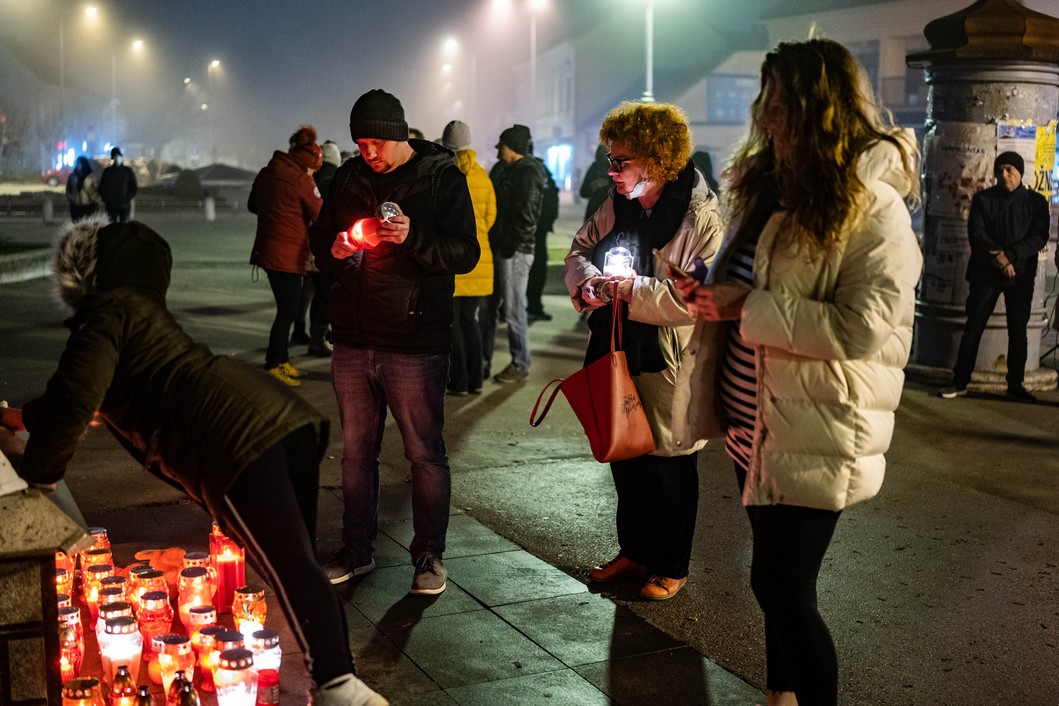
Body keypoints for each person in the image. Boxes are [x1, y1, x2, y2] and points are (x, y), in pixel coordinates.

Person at [12, 216, 387, 706]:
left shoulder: (109, 313)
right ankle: (339, 683)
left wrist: (37, 482)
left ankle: (341, 689)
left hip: (232, 440)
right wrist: (20, 419)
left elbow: (79, 393)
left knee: (289, 566)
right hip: (275, 419)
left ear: (89, 277)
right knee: (296, 566)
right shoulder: (139, 316)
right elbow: (76, 396)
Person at [671, 39, 922, 706]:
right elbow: (743, 292)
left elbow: (860, 327)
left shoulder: (874, 207)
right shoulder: (767, 193)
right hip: (755, 427)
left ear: (822, 113)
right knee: (773, 587)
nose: (768, 117)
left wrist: (744, 306)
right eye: (767, 104)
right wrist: (705, 295)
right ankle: (777, 697)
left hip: (817, 424)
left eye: (783, 106)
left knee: (781, 588)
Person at [309, 89, 479, 595]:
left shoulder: (441, 177)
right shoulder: (347, 176)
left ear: (399, 135)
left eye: (376, 143)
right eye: (361, 143)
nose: (368, 153)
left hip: (416, 339)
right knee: (356, 453)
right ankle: (357, 551)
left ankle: (428, 556)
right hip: (354, 336)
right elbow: (320, 243)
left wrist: (412, 238)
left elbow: (465, 253)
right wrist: (337, 248)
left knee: (424, 453)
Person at [565, 101, 724, 601]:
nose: (610, 171)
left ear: (657, 160)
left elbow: (698, 300)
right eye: (610, 159)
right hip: (616, 346)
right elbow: (579, 250)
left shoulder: (701, 217)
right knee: (626, 455)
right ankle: (634, 552)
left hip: (672, 358)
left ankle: (672, 564)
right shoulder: (619, 203)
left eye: (621, 161)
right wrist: (590, 285)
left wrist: (631, 291)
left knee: (669, 464)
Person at [939, 150, 1048, 403]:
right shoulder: (983, 199)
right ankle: (960, 380)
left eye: (1010, 169)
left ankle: (1016, 384)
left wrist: (1009, 256)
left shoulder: (1035, 202)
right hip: (985, 274)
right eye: (1000, 169)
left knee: (1018, 330)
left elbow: (1038, 237)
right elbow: (977, 234)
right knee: (973, 327)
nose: (1004, 174)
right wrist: (999, 260)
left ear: (1021, 172)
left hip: (1019, 275)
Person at [248, 125, 323, 386]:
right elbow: (320, 214)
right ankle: (273, 364)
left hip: (267, 251)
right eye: (314, 168)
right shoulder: (303, 180)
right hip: (288, 255)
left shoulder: (267, 173)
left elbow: (252, 205)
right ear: (307, 162)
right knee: (287, 312)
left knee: (286, 309)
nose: (314, 173)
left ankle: (282, 360)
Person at [480, 124, 547, 384]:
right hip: (500, 249)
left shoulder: (528, 173)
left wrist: (508, 247)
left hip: (515, 252)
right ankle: (482, 362)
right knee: (488, 309)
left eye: (501, 144)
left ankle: (520, 362)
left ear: (512, 147)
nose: (497, 148)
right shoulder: (505, 170)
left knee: (513, 309)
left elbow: (527, 218)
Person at [441, 119, 496, 396]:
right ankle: (476, 380)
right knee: (470, 320)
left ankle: (457, 381)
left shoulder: (443, 173)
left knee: (452, 322)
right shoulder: (482, 177)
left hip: (453, 255)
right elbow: (490, 218)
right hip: (479, 257)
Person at [306, 140, 344, 357]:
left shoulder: (310, 179)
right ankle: (318, 338)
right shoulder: (334, 182)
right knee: (329, 295)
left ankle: (314, 334)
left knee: (318, 294)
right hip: (328, 247)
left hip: (310, 247)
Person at [526, 154, 560, 323]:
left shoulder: (526, 169)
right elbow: (553, 196)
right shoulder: (540, 170)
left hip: (535, 230)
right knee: (536, 268)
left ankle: (533, 306)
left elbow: (552, 196)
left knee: (536, 268)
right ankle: (533, 306)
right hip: (537, 229)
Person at [98, 146, 138, 223]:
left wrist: (127, 198)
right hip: (110, 206)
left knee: (124, 227)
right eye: (115, 156)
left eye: (118, 156)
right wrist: (106, 199)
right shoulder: (108, 171)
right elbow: (102, 187)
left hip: (124, 205)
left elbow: (133, 187)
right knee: (112, 227)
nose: (117, 158)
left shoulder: (127, 171)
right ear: (112, 158)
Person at [579, 144, 612, 221]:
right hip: (595, 211)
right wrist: (594, 185)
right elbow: (583, 192)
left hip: (612, 211)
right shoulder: (595, 168)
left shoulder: (617, 168)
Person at [65, 156, 100, 221]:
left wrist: (92, 199)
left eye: (79, 163)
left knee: (87, 225)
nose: (78, 165)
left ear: (84, 164)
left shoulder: (91, 177)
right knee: (76, 225)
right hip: (75, 206)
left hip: (88, 206)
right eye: (77, 163)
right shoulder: (72, 176)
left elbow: (97, 190)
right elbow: (68, 189)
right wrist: (71, 199)